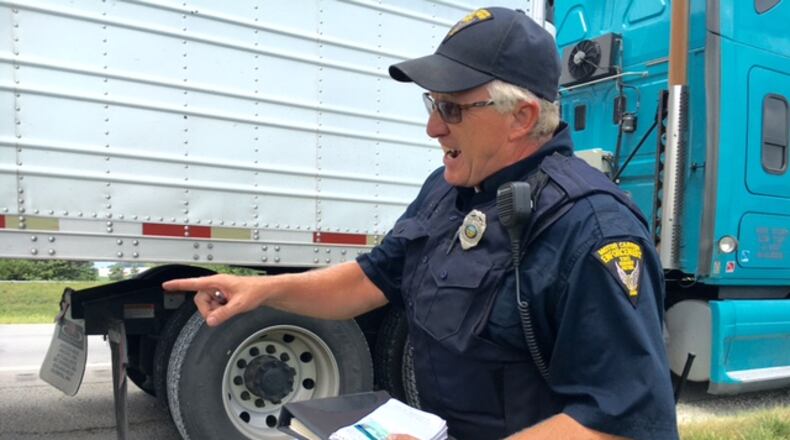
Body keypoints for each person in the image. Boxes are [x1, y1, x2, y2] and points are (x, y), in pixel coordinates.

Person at [164, 7, 679, 440]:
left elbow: (620, 421)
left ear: (521, 117)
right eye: (434, 104)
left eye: (452, 109)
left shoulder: (593, 228)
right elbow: (370, 278)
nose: (433, 127)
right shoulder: (448, 189)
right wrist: (261, 291)